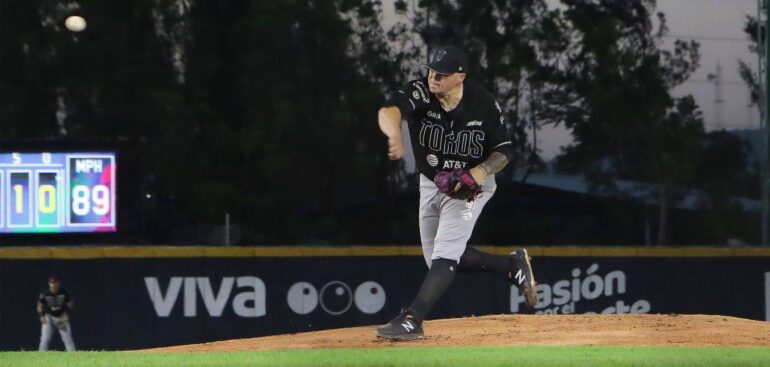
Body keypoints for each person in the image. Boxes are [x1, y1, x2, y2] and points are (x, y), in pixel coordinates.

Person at [375, 46, 538, 340]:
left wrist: (479, 172)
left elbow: (503, 151)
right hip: (431, 182)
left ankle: (413, 320)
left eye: (442, 74)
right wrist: (395, 132)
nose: (433, 78)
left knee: (445, 255)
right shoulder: (421, 92)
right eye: (431, 71)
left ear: (460, 77)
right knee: (440, 259)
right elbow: (389, 110)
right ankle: (509, 264)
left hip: (471, 186)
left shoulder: (482, 103)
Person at [37, 275, 76, 351]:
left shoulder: (64, 292)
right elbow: (39, 306)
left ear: (59, 283)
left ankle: (74, 358)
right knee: (44, 339)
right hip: (49, 318)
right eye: (51, 282)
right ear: (49, 283)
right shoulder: (45, 293)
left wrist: (67, 313)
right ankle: (39, 358)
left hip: (61, 318)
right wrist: (41, 316)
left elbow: (71, 305)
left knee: (68, 340)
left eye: (55, 282)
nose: (53, 284)